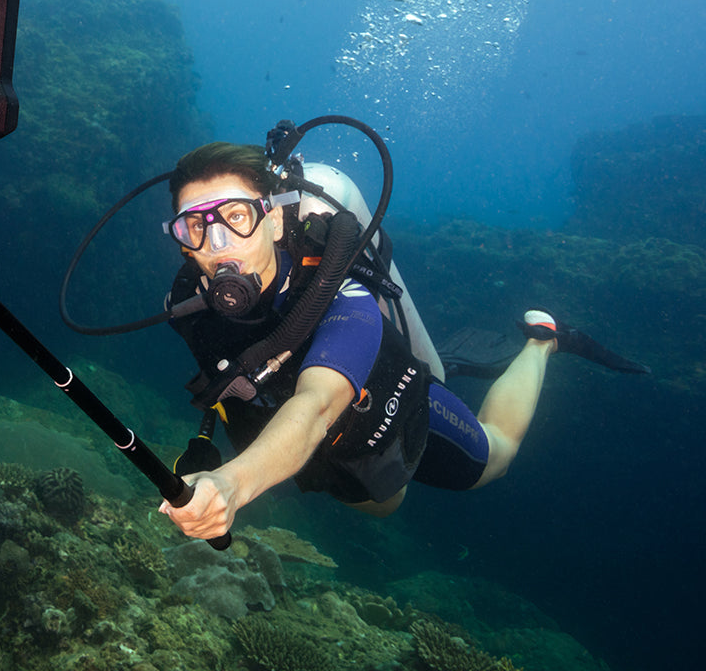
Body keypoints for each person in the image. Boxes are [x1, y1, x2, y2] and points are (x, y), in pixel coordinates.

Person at [157, 142, 646, 542]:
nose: (217, 245)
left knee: (493, 459)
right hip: (327, 458)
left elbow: (317, 406)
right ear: (180, 240)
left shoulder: (339, 292)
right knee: (377, 505)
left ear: (277, 220)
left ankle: (543, 341)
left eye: (236, 217)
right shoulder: (188, 305)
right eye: (195, 225)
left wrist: (231, 483)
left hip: (391, 411)